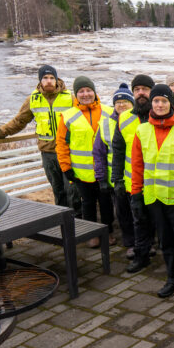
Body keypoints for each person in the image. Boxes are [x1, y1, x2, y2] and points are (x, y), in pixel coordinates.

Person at [130, 84, 174, 302]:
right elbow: (137, 166)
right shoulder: (142, 131)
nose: (159, 105)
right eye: (156, 101)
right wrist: (136, 195)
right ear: (151, 103)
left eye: (164, 101)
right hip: (155, 198)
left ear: (171, 103)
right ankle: (172, 278)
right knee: (165, 241)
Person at [0, 65, 81, 213]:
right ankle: (64, 221)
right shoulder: (33, 99)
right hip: (48, 153)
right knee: (58, 191)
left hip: (69, 152)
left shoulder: (70, 98)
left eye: (51, 78)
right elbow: (19, 121)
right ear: (40, 80)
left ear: (56, 80)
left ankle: (79, 222)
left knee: (73, 192)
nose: (48, 81)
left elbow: (83, 119)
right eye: (45, 78)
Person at [56, 76, 114, 247]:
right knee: (88, 203)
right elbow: (61, 144)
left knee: (106, 203)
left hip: (105, 170)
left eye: (89, 90)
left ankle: (109, 232)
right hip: (82, 171)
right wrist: (66, 167)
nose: (85, 94)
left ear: (94, 92)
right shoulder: (68, 116)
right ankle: (92, 234)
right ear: (76, 95)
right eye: (81, 91)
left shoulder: (108, 112)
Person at [111, 74, 157, 273]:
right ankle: (141, 254)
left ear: (152, 91)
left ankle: (154, 246)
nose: (141, 93)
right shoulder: (124, 118)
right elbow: (118, 151)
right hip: (134, 181)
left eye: (145, 89)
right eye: (137, 89)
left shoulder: (161, 114)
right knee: (137, 219)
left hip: (159, 181)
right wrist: (117, 179)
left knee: (157, 219)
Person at [94, 83, 136, 257]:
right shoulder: (106, 124)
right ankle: (130, 243)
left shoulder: (140, 120)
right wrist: (102, 177)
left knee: (140, 213)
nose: (121, 105)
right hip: (117, 179)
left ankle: (146, 242)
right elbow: (98, 153)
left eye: (125, 101)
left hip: (138, 177)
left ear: (132, 103)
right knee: (123, 213)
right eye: (118, 102)